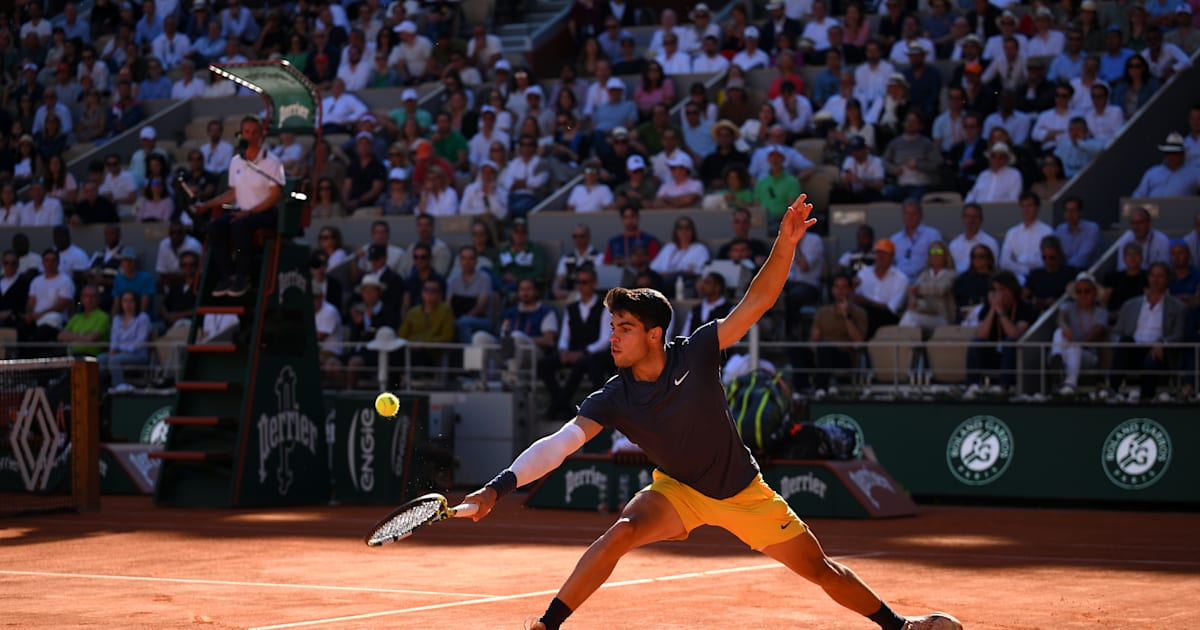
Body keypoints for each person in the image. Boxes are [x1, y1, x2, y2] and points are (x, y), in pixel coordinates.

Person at [465, 194, 961, 630]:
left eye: (625, 328)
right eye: (613, 326)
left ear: (655, 335)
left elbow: (758, 301)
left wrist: (785, 246)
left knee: (820, 569)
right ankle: (547, 626)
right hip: (679, 491)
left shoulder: (697, 351)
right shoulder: (614, 395)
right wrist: (498, 487)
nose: (613, 336)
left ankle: (900, 627)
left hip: (743, 491)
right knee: (622, 531)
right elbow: (560, 444)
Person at [191, 116, 283, 298]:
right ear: (242, 134)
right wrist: (207, 205)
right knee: (215, 226)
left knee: (239, 225)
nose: (250, 136)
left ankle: (243, 276)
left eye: (254, 132)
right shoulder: (235, 162)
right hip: (241, 211)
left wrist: (249, 212)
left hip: (265, 212)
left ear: (261, 135)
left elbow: (275, 196)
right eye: (247, 132)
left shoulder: (272, 161)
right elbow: (233, 194)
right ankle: (227, 276)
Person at [1108, 263, 1186, 402]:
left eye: (1160, 276)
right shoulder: (1130, 305)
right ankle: (1113, 390)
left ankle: (1146, 399)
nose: (1156, 280)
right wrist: (1119, 341)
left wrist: (1163, 343)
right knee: (1125, 341)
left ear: (1167, 279)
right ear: (1148, 278)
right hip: (1133, 349)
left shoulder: (1178, 307)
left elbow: (1179, 334)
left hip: (1158, 351)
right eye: (1153, 276)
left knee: (1152, 360)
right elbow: (1116, 332)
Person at [543, 266, 614, 418]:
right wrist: (564, 351)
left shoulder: (604, 308)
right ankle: (562, 404)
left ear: (594, 283)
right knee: (544, 364)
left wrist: (583, 352)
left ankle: (559, 405)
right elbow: (564, 336)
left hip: (595, 354)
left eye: (585, 282)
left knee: (585, 362)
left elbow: (604, 339)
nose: (581, 286)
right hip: (574, 351)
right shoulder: (572, 308)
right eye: (579, 282)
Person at [964, 270, 1037, 395]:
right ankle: (972, 385)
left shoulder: (1024, 308)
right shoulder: (988, 307)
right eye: (995, 290)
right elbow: (981, 335)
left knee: (1010, 342)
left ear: (1012, 290)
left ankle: (1004, 387)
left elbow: (1014, 334)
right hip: (993, 354)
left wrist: (1001, 312)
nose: (998, 294)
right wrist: (993, 309)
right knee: (976, 343)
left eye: (1002, 290)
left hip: (1016, 356)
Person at [1050, 271, 1108, 395]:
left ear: (1094, 293)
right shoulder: (1068, 307)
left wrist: (1076, 343)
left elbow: (1097, 332)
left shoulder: (1101, 312)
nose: (1083, 295)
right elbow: (1060, 318)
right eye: (1079, 291)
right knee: (1059, 331)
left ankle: (1070, 383)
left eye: (1087, 291)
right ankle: (1057, 358)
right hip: (1067, 349)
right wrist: (1065, 327)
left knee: (1074, 348)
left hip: (1089, 355)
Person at [899, 241, 957, 335]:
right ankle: (905, 347)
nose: (935, 254)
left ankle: (901, 346)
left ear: (945, 255)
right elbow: (913, 294)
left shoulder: (951, 274)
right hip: (925, 312)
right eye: (931, 252)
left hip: (943, 317)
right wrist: (912, 297)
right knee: (909, 317)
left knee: (910, 318)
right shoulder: (924, 275)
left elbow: (941, 288)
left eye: (938, 251)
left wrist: (918, 288)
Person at [853, 238, 908, 337]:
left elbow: (891, 308)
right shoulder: (863, 274)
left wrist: (866, 301)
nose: (881, 256)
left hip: (887, 317)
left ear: (892, 256)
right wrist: (851, 288)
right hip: (864, 315)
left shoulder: (901, 278)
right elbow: (855, 297)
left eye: (885, 253)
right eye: (878, 253)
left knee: (868, 313)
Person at [99, 290, 152, 391]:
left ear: (136, 302)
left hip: (137, 355)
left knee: (114, 360)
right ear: (121, 303)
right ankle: (101, 389)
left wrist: (121, 351)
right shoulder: (117, 319)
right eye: (125, 301)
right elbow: (114, 339)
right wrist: (113, 350)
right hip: (118, 352)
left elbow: (140, 342)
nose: (128, 304)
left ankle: (118, 388)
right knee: (100, 359)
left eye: (131, 301)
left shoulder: (143, 318)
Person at [1132, 132, 1200, 198]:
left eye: (1175, 153)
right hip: (1154, 208)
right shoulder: (1152, 173)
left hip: (1182, 208)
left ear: (1183, 154)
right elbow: (1138, 195)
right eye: (1168, 153)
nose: (1171, 156)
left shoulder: (1194, 173)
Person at [58, 284, 110, 357]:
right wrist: (83, 336)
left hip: (91, 357)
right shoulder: (76, 317)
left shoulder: (103, 317)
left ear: (98, 299)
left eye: (92, 296)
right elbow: (61, 336)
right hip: (72, 354)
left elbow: (92, 338)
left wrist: (72, 337)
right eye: (86, 296)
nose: (89, 299)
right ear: (81, 299)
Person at [1113, 206, 1170, 271]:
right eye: (1133, 223)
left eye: (1140, 222)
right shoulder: (1125, 240)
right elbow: (1121, 268)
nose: (1136, 227)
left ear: (1149, 223)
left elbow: (1165, 268)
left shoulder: (1162, 240)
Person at [948, 203, 1000, 274]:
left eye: (975, 217)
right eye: (968, 216)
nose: (971, 220)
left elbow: (993, 268)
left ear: (981, 220)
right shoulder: (954, 244)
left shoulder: (990, 243)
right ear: (963, 219)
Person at [1054, 196, 1101, 271]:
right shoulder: (1060, 230)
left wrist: (1064, 269)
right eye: (1066, 210)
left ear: (1080, 212)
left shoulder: (1092, 228)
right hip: (1065, 271)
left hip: (1087, 272)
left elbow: (1083, 257)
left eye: (1073, 210)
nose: (1069, 214)